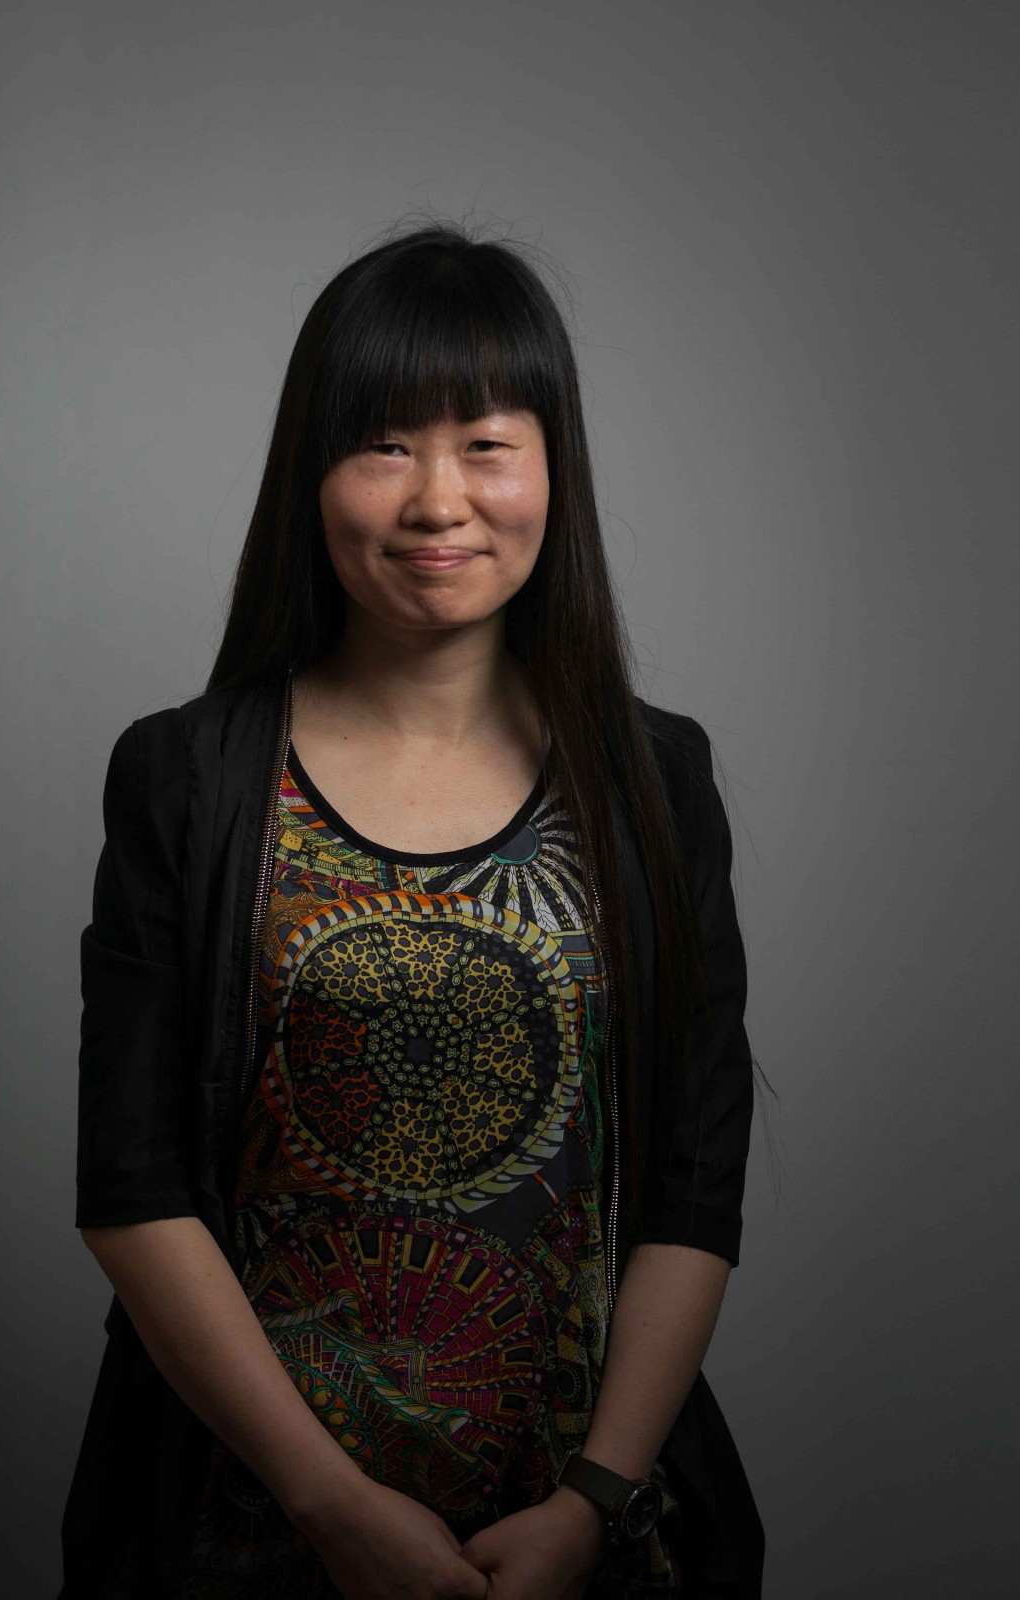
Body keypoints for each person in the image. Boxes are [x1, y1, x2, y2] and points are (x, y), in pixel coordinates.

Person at [60, 222, 763, 1599]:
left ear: (553, 469)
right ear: (310, 476)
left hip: (575, 1519)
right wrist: (330, 1505)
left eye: (487, 444)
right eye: (384, 445)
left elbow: (695, 1181)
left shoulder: (653, 780)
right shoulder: (188, 777)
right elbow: (131, 1187)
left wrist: (595, 1503)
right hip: (242, 1519)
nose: (440, 501)